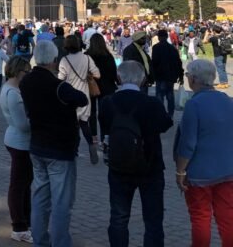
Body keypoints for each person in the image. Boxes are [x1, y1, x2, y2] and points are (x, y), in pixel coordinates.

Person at [20, 41, 88, 247]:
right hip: (59, 148)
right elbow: (82, 99)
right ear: (53, 60)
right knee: (61, 202)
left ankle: (40, 241)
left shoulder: (26, 82)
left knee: (40, 198)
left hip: (37, 144)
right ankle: (60, 242)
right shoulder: (58, 86)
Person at [99, 61, 173, 247]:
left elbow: (105, 129)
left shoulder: (108, 102)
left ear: (119, 78)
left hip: (119, 165)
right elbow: (165, 125)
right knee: (153, 220)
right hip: (151, 166)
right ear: (142, 80)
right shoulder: (151, 103)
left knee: (118, 218)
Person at [176, 59, 233, 246]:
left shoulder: (194, 105)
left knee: (200, 217)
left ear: (193, 79)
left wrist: (180, 171)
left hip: (199, 173)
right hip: (227, 169)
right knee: (227, 216)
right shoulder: (227, 100)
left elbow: (188, 143)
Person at [0, 56, 33, 243]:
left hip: (16, 140)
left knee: (23, 184)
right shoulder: (13, 93)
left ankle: (25, 221)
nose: (28, 75)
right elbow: (23, 124)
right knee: (19, 185)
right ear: (17, 71)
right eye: (26, 72)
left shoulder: (10, 89)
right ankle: (19, 226)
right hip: (20, 142)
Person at [58, 34, 101, 164]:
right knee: (84, 123)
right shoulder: (87, 58)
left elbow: (60, 78)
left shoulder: (64, 60)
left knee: (73, 125)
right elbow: (97, 74)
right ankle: (91, 145)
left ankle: (74, 150)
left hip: (70, 95)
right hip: (84, 94)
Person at [86, 33, 118, 144]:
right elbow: (113, 72)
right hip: (107, 87)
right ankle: (105, 136)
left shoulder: (87, 56)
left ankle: (94, 137)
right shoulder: (108, 56)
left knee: (92, 112)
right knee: (105, 113)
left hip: (91, 87)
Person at [150, 29, 184, 117]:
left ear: (159, 37)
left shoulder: (156, 48)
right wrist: (181, 76)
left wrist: (151, 75)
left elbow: (154, 62)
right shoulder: (172, 48)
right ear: (166, 36)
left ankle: (160, 113)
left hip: (160, 75)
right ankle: (170, 114)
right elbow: (178, 62)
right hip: (171, 76)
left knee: (159, 95)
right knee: (170, 95)